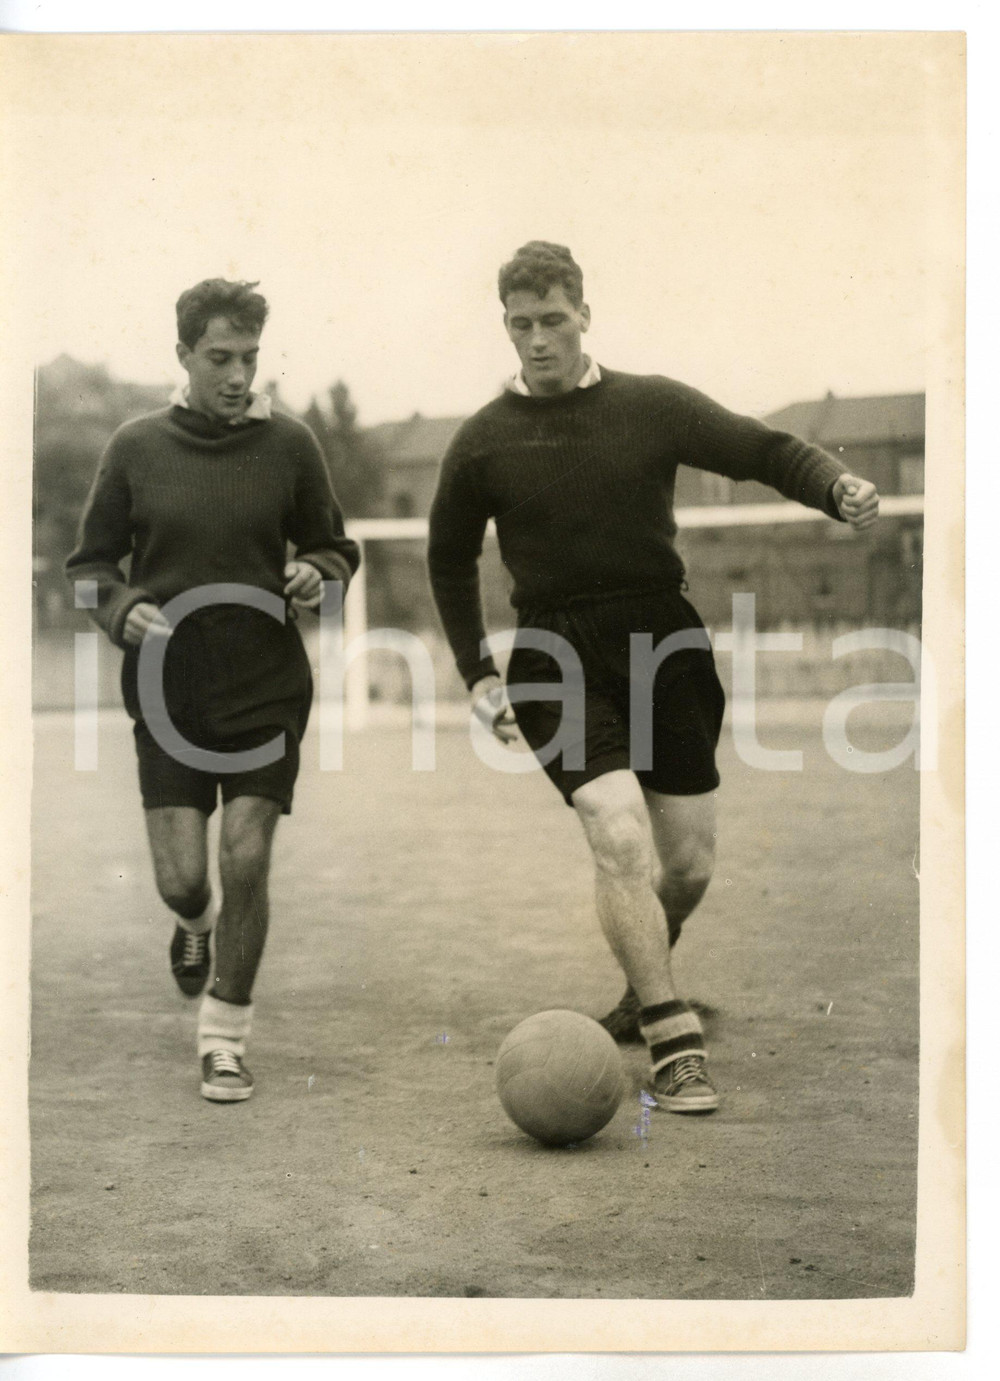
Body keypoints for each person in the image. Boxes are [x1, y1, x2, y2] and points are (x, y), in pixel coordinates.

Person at [427, 242, 878, 1114]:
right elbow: (448, 560)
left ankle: (642, 984)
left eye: (553, 321)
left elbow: (759, 447)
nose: (539, 341)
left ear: (585, 314)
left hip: (664, 642)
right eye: (521, 325)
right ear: (506, 327)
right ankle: (674, 1041)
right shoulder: (481, 441)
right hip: (553, 650)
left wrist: (835, 485)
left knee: (689, 864)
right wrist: (477, 674)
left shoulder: (651, 404)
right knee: (616, 830)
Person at [66, 279, 359, 1103]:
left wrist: (319, 569)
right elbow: (88, 568)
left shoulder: (293, 443)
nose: (238, 375)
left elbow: (336, 546)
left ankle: (224, 1033)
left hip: (266, 684)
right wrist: (120, 608)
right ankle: (194, 926)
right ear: (185, 356)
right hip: (168, 690)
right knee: (184, 879)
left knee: (249, 854)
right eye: (220, 358)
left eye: (251, 358)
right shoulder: (134, 446)